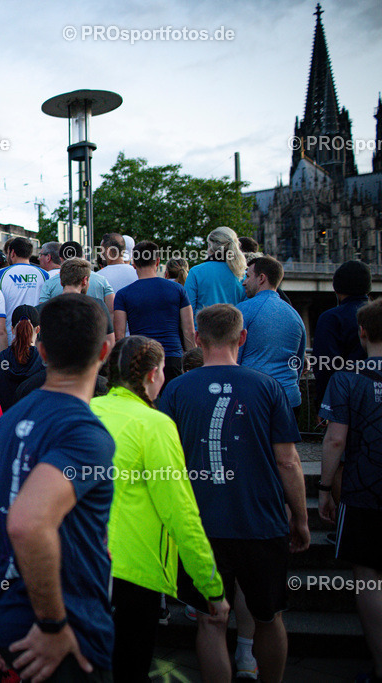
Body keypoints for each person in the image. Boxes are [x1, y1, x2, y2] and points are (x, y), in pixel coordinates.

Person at [0, 294, 116, 680]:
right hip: (65, 625)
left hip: (9, 614)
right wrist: (52, 624)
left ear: (43, 350)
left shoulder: (5, 422)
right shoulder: (86, 432)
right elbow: (26, 522)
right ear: (104, 350)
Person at [159, 304, 308, 683]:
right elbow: (288, 462)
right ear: (242, 338)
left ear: (197, 338)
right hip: (262, 522)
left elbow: (166, 463)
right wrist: (301, 517)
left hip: (200, 526)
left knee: (211, 620)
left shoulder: (174, 389)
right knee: (269, 617)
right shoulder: (269, 387)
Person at [91, 338, 227, 681]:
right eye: (164, 370)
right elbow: (181, 513)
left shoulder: (85, 412)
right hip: (133, 575)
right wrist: (210, 586)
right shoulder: (154, 425)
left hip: (78, 569)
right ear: (153, 375)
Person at [318, 298, 382, 683]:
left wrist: (325, 486)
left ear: (362, 332)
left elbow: (335, 441)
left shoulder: (347, 376)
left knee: (369, 577)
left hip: (363, 491)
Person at [113, 241, 195, 383]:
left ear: (134, 264)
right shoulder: (178, 290)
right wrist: (192, 362)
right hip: (172, 357)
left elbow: (119, 335)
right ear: (157, 261)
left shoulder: (123, 295)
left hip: (141, 357)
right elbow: (189, 330)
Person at [236, 255, 307, 410]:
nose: (244, 282)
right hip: (290, 398)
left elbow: (234, 360)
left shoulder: (243, 310)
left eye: (248, 276)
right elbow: (299, 363)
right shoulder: (295, 315)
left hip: (254, 397)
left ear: (261, 278)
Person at [311, 260, 372, 412]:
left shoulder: (331, 318)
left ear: (336, 288)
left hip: (346, 399)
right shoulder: (375, 314)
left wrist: (323, 402)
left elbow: (325, 364)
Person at [0, 305, 44, 412]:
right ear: (38, 329)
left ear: (12, 329)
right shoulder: (45, 362)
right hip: (35, 423)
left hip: (4, 423)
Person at [0, 237, 49, 343]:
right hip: (36, 337)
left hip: (11, 337)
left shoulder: (0, 275)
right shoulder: (44, 274)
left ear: (12, 252)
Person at [183, 226, 247, 316]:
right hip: (234, 328)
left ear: (210, 246)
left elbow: (188, 310)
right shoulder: (244, 274)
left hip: (203, 328)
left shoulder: (196, 272)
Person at [37, 242, 115, 313]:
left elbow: (42, 313)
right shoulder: (102, 280)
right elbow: (111, 311)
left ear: (61, 259)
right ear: (83, 256)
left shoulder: (49, 283)